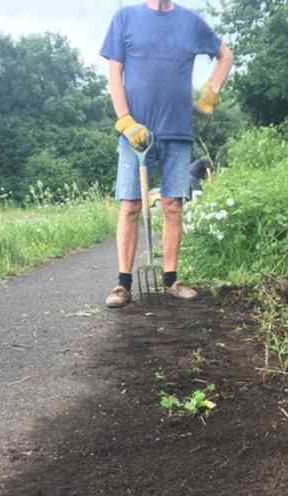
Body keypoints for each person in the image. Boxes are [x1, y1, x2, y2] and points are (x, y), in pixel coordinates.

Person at [101, 0, 234, 308]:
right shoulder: (125, 18)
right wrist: (124, 120)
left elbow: (225, 55)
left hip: (177, 130)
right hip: (135, 132)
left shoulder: (190, 22)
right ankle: (123, 285)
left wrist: (212, 89)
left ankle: (172, 280)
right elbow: (114, 72)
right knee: (131, 205)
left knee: (173, 205)